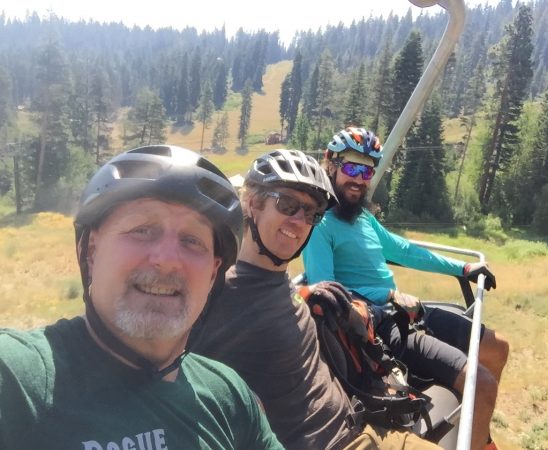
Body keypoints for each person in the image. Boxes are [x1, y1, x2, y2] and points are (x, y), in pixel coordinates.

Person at [0, 145, 283, 450]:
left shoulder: (229, 399)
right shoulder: (20, 378)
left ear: (213, 274)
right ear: (92, 251)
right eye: (142, 230)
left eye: (192, 240)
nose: (167, 260)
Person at [191, 149, 441, 450]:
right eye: (287, 205)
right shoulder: (214, 290)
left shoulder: (281, 282)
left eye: (312, 214)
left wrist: (304, 293)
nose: (299, 221)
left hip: (362, 426)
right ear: (252, 203)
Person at [302, 127, 510, 450]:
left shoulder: (362, 220)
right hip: (382, 329)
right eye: (352, 167)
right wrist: (385, 296)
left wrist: (463, 268)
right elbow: (327, 296)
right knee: (481, 383)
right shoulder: (321, 226)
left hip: (406, 312)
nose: (359, 179)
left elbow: (406, 250)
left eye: (367, 170)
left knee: (498, 347)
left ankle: (478, 433)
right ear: (330, 163)